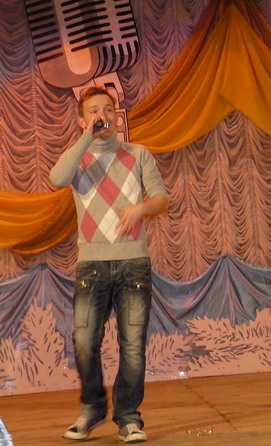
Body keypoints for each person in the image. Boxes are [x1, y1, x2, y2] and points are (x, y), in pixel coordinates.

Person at [50, 86, 169, 442]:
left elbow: (161, 199)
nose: (102, 115)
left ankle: (129, 417)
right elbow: (56, 179)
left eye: (107, 109)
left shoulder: (138, 154)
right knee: (84, 340)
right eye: (93, 111)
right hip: (92, 266)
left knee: (132, 345)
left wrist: (141, 208)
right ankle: (93, 407)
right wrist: (87, 138)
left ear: (117, 116)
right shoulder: (78, 158)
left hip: (133, 263)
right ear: (82, 121)